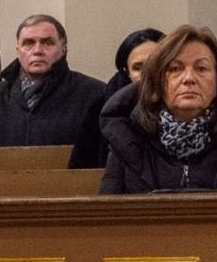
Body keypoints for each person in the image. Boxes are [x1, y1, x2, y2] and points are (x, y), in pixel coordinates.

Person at [99, 25, 217, 193]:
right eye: (175, 69)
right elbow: (107, 213)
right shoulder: (128, 130)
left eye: (201, 68)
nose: (189, 78)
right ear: (157, 82)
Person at [0, 14, 106, 147]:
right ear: (18, 50)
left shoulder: (95, 94)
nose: (37, 51)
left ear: (64, 49)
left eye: (47, 43)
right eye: (28, 43)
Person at [69, 27, 164, 169]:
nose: (148, 74)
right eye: (138, 68)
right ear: (127, 73)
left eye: (155, 65)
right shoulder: (102, 107)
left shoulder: (190, 103)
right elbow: (80, 168)